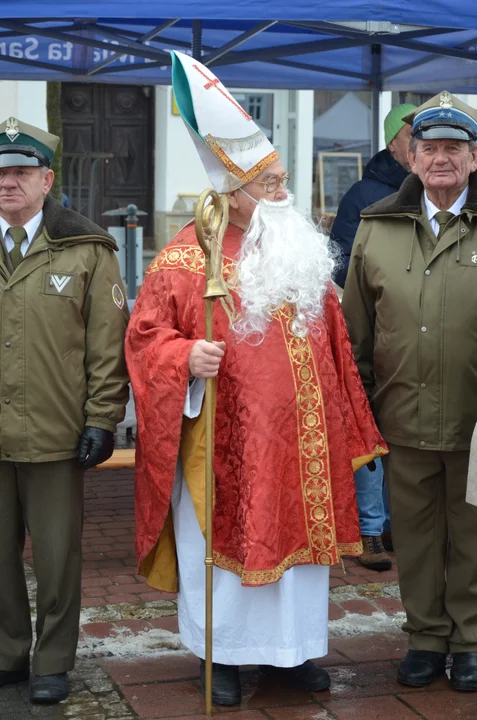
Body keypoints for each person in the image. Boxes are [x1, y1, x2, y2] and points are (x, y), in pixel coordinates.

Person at [126, 51, 387, 707]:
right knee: (221, 553)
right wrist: (185, 359)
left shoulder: (300, 252)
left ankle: (291, 655)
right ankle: (224, 656)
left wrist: (345, 427)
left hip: (300, 447)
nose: (282, 192)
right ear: (230, 191)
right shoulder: (188, 258)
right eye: (267, 184)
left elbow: (334, 344)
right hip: (223, 445)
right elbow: (144, 338)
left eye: (279, 179)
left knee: (297, 569)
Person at [342, 91, 477, 692]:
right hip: (403, 414)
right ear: (411, 158)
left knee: (472, 535)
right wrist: (361, 412)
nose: (441, 159)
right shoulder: (376, 230)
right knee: (417, 538)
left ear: (473, 158)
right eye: (430, 149)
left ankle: (470, 641)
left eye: (454, 148)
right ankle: (425, 638)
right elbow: (356, 334)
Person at [0, 117, 129, 703]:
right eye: (1, 172)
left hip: (53, 432)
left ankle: (52, 659)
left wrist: (103, 417)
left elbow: (108, 344)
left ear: (47, 179)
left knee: (56, 558)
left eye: (21, 172)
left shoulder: (87, 248)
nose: (8, 183)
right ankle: (8, 653)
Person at [332, 103, 415, 572]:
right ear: (394, 145)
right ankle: (370, 530)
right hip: (373, 330)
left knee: (401, 434)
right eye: (414, 140)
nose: (422, 150)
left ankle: (396, 524)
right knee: (368, 432)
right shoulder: (364, 194)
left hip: (412, 341)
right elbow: (343, 262)